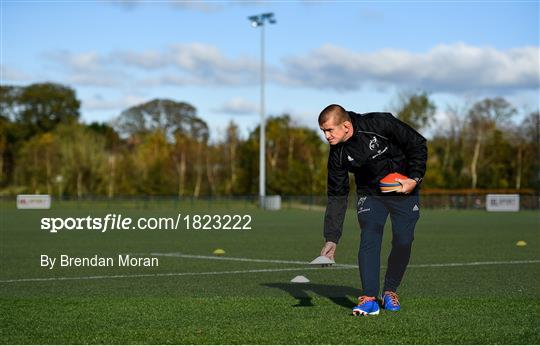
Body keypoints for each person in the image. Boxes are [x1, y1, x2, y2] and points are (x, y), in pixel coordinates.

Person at [318, 104, 427, 316]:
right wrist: (331, 238)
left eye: (330, 130)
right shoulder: (337, 155)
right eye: (323, 131)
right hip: (370, 194)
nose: (326, 136)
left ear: (346, 126)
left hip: (404, 188)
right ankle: (369, 298)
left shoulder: (380, 123)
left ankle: (390, 291)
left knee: (403, 240)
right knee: (370, 234)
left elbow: (418, 144)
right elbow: (337, 195)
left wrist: (414, 179)